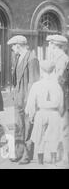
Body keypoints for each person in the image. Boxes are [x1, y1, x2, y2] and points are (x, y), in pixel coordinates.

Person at [7, 35, 40, 164]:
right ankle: (19, 152)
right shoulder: (18, 57)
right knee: (18, 126)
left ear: (18, 46)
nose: (13, 49)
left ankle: (27, 155)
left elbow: (33, 82)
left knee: (28, 126)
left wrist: (31, 102)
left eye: (13, 46)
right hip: (18, 98)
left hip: (27, 99)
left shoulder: (32, 59)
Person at [25, 60, 64, 165]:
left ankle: (40, 161)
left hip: (41, 112)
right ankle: (53, 159)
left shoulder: (37, 85)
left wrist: (31, 115)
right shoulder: (57, 86)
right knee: (54, 136)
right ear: (52, 71)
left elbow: (31, 102)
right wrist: (60, 113)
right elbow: (61, 103)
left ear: (42, 71)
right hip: (54, 113)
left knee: (39, 136)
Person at [47, 34, 69, 165]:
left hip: (64, 100)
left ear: (55, 46)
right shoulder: (58, 59)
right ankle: (61, 156)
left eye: (50, 45)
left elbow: (61, 81)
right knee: (59, 127)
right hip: (60, 98)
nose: (48, 48)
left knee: (64, 129)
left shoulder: (63, 59)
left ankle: (66, 158)